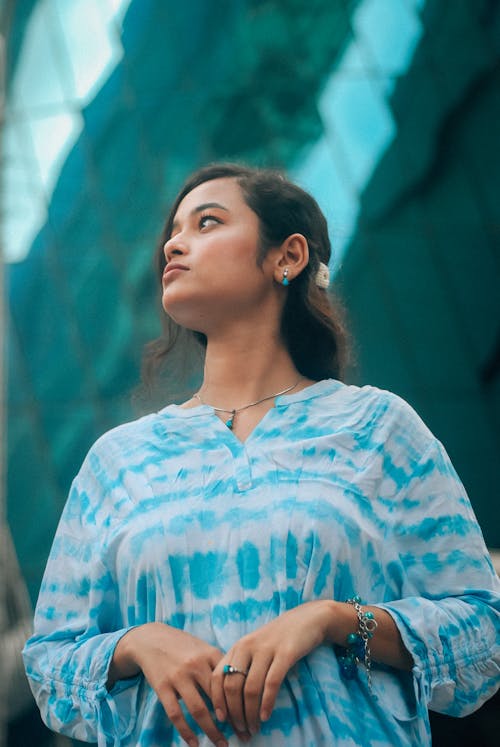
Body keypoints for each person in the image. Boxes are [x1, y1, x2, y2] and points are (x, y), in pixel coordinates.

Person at [23, 164, 500, 747]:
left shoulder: (378, 428)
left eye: (207, 223)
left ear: (288, 257)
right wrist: (135, 644)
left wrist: (333, 620)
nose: (174, 243)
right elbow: (50, 663)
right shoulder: (117, 462)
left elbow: (483, 631)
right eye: (174, 231)